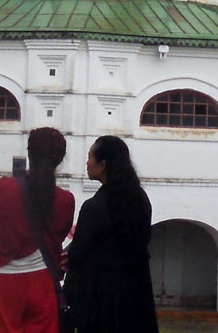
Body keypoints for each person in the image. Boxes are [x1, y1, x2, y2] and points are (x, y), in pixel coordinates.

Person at [0, 128, 76, 333]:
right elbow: (60, 234)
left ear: (29, 154)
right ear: (59, 159)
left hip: (3, 279)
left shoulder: (5, 187)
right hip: (42, 279)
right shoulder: (65, 200)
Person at [65, 136, 157, 333]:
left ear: (103, 164)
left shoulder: (93, 207)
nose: (87, 162)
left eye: (90, 157)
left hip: (102, 300)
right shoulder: (140, 200)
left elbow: (78, 254)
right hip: (137, 295)